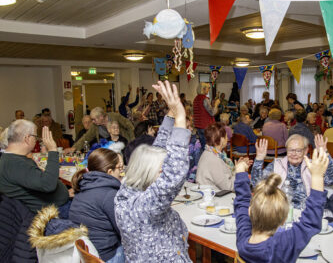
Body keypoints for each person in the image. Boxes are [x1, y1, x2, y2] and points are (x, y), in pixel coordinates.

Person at [114, 80, 192, 262]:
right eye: (160, 171)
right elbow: (173, 175)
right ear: (148, 173)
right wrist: (181, 118)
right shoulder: (142, 207)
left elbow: (157, 152)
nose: (163, 172)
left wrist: (170, 116)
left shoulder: (128, 190)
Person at [234, 150, 328, 263]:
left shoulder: (243, 238)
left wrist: (240, 172)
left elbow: (242, 202)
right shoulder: (283, 246)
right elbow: (311, 222)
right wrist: (317, 177)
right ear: (283, 220)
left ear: (250, 212)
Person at [251, 135, 333, 210]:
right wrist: (259, 158)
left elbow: (332, 179)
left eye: (298, 150)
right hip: (280, 211)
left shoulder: (313, 165)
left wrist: (325, 153)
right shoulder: (277, 165)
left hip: (307, 211)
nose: (294, 154)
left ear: (305, 151)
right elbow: (257, 185)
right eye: (290, 150)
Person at [69, 148, 124, 262]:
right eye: (119, 168)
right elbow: (124, 230)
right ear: (109, 172)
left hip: (88, 252)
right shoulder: (109, 194)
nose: (121, 173)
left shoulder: (84, 185)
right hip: (106, 255)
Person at [0, 121, 69, 212]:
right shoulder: (15, 163)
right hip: (53, 212)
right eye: (35, 137)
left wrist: (65, 193)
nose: (36, 140)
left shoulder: (12, 158)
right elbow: (48, 185)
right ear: (27, 138)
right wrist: (52, 150)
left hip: (55, 203)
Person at [65, 107, 134, 153]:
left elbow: (129, 126)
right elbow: (86, 137)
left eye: (94, 119)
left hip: (124, 145)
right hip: (109, 150)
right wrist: (74, 148)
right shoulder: (95, 125)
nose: (93, 122)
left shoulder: (115, 116)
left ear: (101, 117)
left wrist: (133, 142)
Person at [196, 123, 235, 191]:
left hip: (209, 193)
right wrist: (239, 171)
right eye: (226, 137)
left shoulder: (209, 152)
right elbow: (229, 187)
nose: (227, 139)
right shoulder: (214, 159)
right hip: (213, 197)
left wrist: (237, 168)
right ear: (222, 139)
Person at [193, 82, 219, 151]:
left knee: (203, 146)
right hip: (206, 126)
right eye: (208, 89)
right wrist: (216, 104)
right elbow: (212, 113)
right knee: (208, 148)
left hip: (198, 126)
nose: (208, 90)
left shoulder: (196, 99)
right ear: (203, 89)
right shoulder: (204, 99)